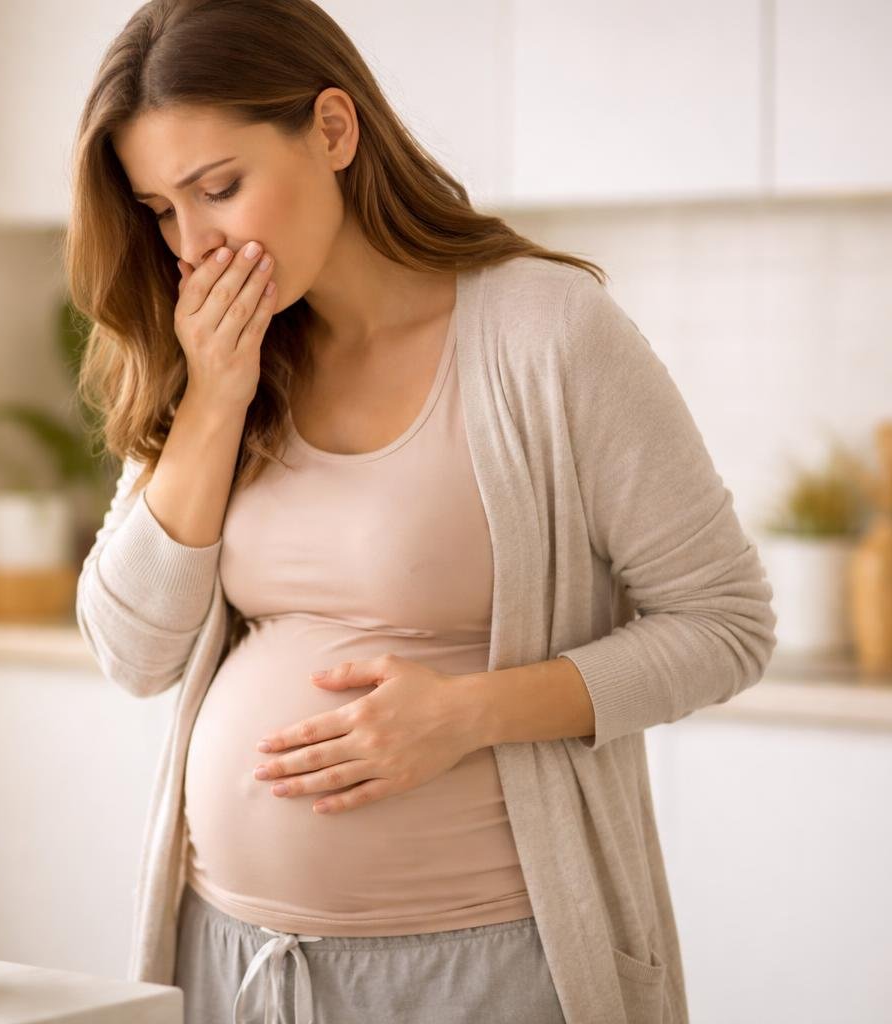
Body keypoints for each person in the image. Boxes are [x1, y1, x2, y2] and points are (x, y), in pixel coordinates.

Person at [68, 2, 778, 1022]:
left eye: (218, 188)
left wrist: (463, 716)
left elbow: (726, 624)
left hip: (486, 966)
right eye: (160, 211)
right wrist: (215, 398)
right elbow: (131, 650)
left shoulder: (546, 333)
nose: (194, 244)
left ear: (333, 130)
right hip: (231, 960)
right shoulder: (217, 360)